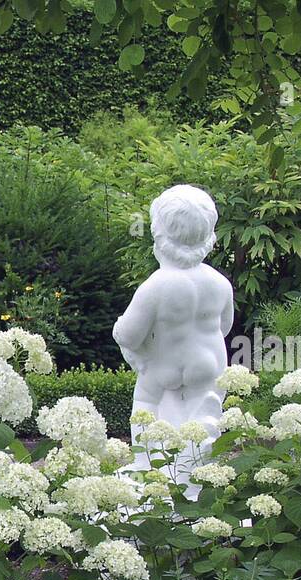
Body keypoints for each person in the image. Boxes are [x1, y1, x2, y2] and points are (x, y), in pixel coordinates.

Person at [113, 185, 234, 487]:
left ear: (158, 235)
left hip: (165, 367)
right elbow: (225, 326)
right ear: (209, 237)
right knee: (203, 417)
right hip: (209, 364)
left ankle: (147, 467)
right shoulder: (219, 283)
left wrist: (119, 328)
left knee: (145, 402)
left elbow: (128, 336)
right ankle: (197, 473)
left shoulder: (156, 286)